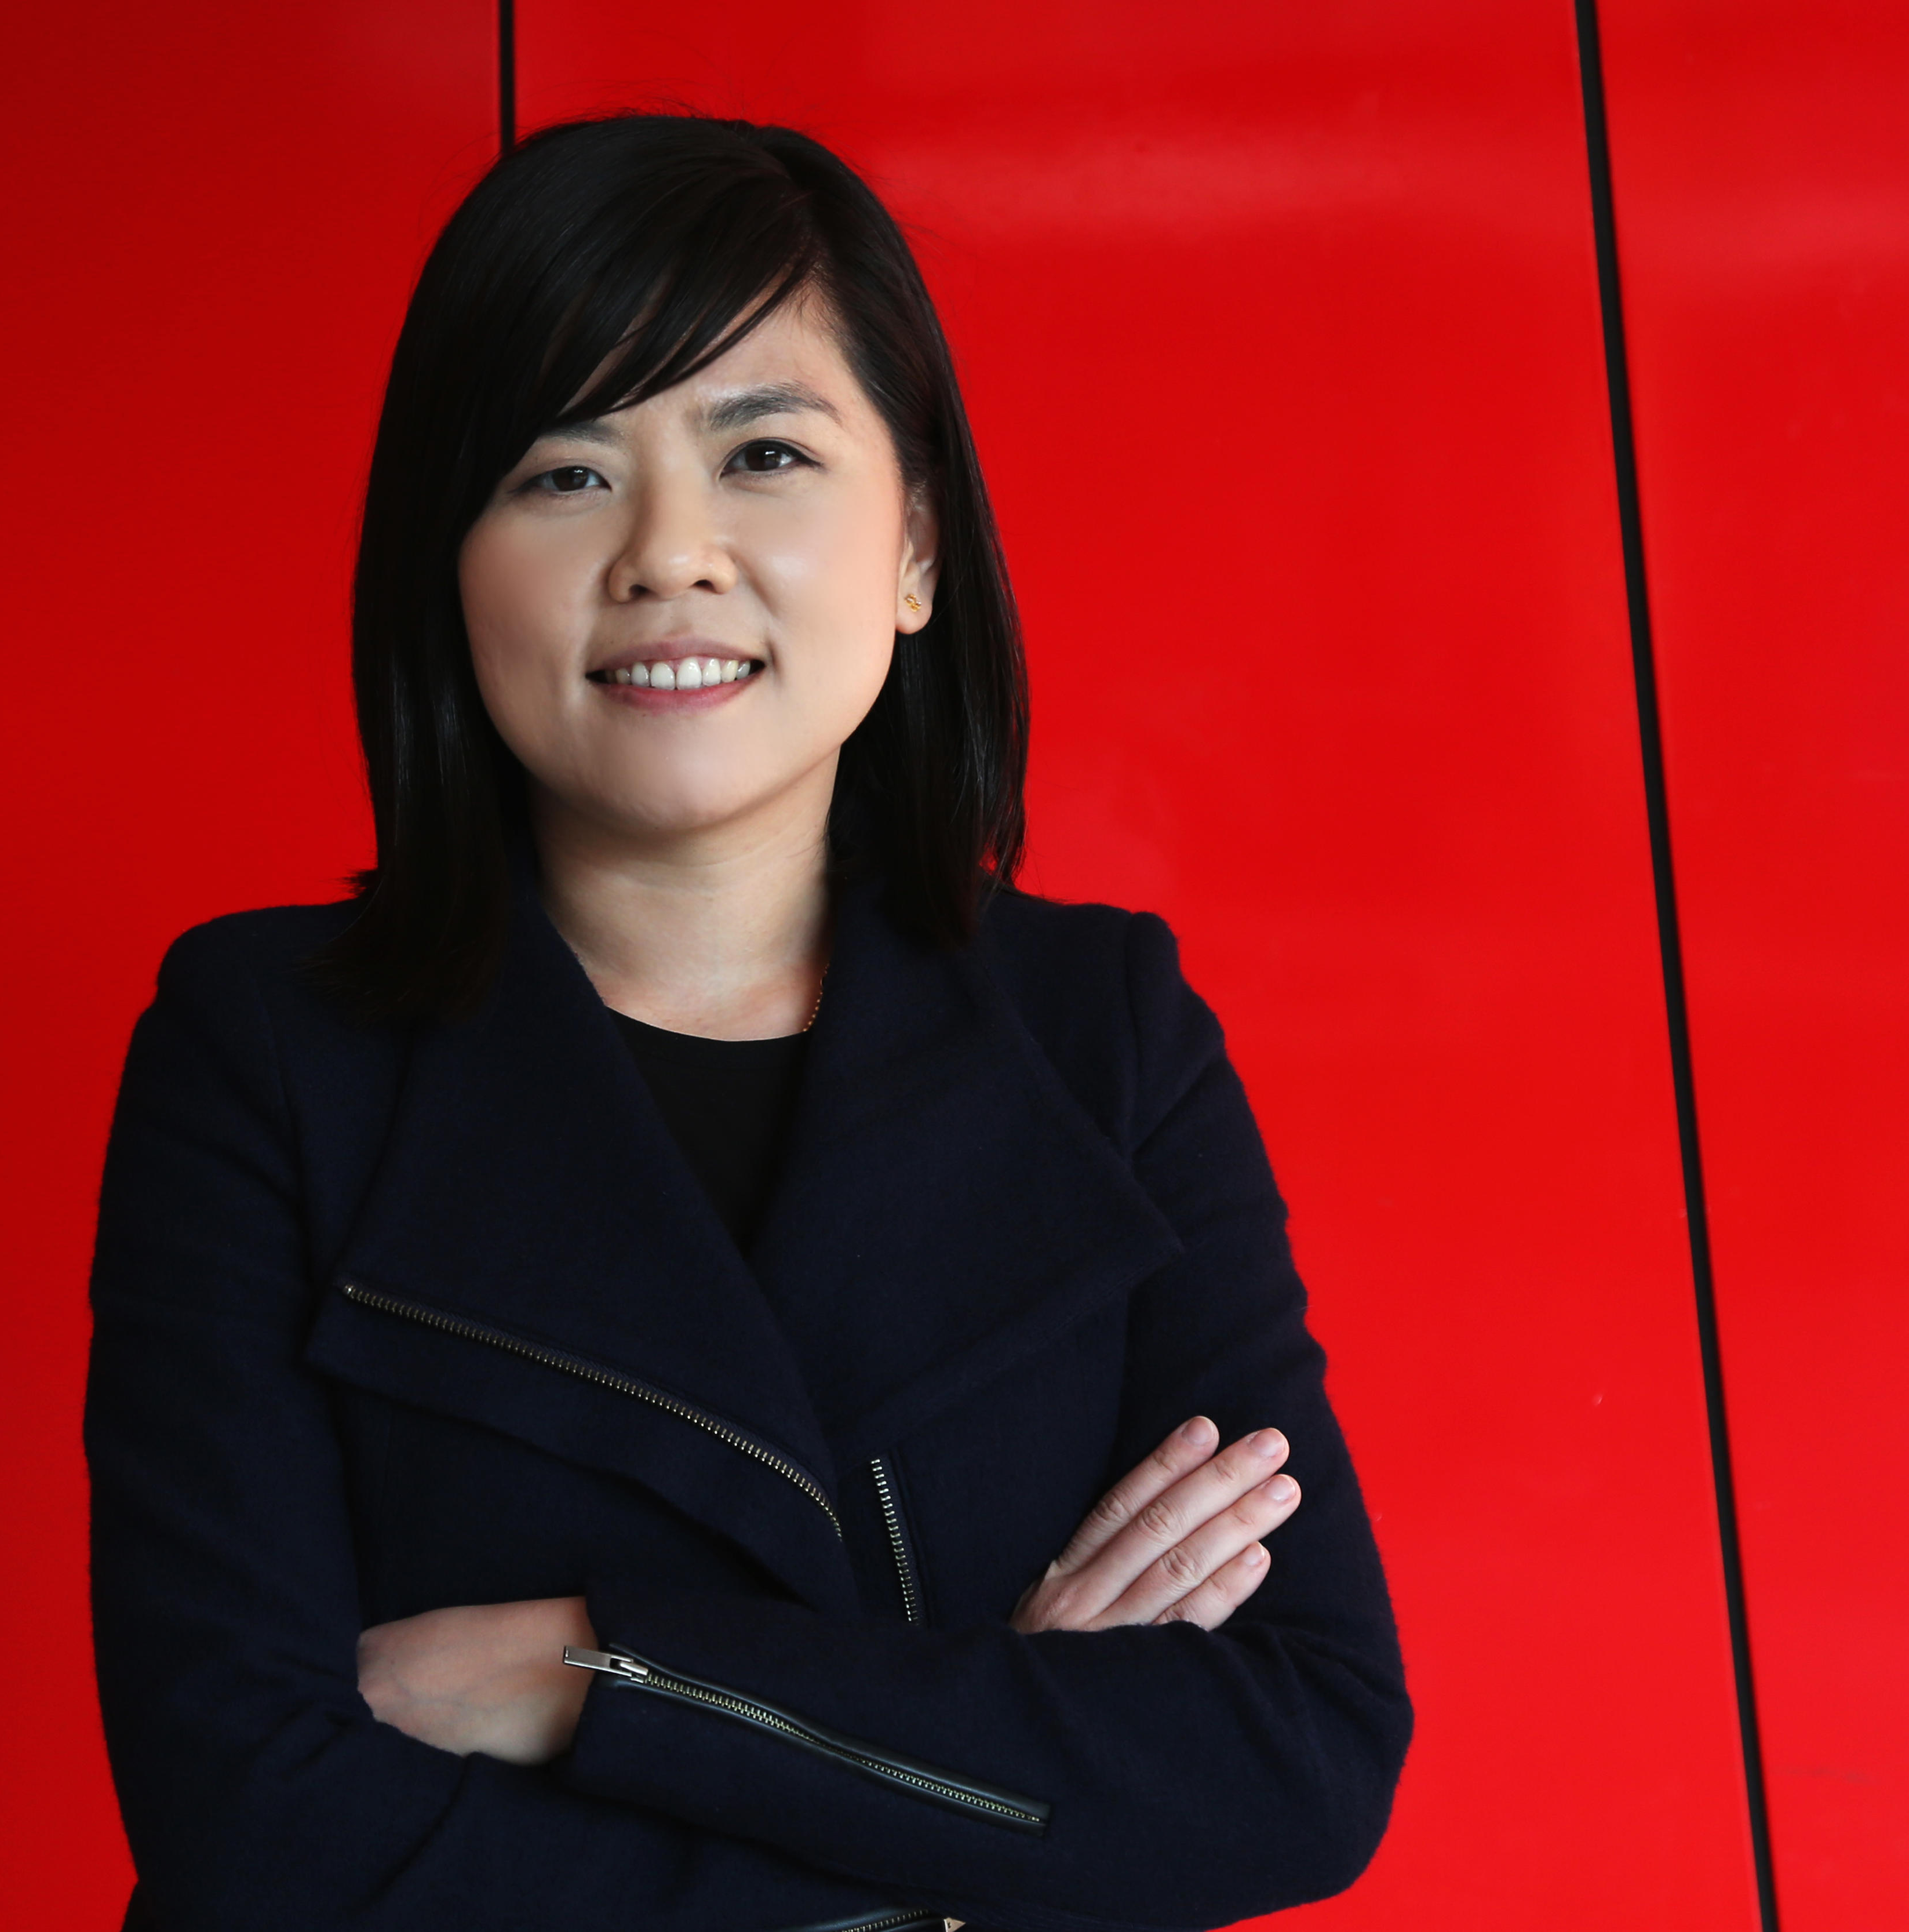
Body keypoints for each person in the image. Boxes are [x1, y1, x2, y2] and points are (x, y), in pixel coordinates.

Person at [83, 114, 1408, 1932]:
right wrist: (979, 1810)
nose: (668, 554)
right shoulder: (267, 1050)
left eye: (764, 451)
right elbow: (259, 1825)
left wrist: (603, 1675)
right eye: (564, 474)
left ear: (917, 547)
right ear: (448, 569)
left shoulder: (1102, 1030)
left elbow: (1297, 1759)